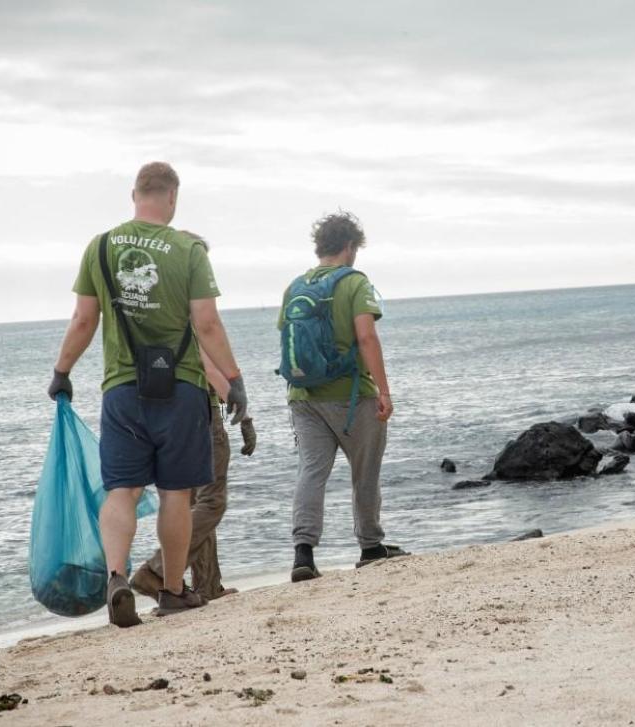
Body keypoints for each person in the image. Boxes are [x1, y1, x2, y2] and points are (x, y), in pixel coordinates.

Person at [48, 162, 248, 627]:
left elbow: (83, 320)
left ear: (133, 194)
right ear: (173, 198)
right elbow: (207, 324)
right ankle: (174, 590)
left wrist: (61, 371)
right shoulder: (189, 249)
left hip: (122, 389)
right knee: (177, 494)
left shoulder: (100, 247)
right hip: (179, 390)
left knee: (122, 490)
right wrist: (235, 380)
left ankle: (116, 576)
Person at [277, 211, 408, 582]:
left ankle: (303, 554)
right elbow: (366, 337)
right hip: (351, 397)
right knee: (364, 471)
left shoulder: (295, 285)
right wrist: (384, 391)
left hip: (302, 396)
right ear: (350, 246)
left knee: (311, 472)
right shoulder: (354, 283)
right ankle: (370, 546)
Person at [131, 234, 256, 602]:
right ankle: (155, 571)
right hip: (197, 409)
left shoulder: (152, 304)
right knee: (212, 500)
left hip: (160, 410)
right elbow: (202, 360)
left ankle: (207, 585)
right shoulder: (189, 308)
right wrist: (239, 406)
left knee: (189, 502)